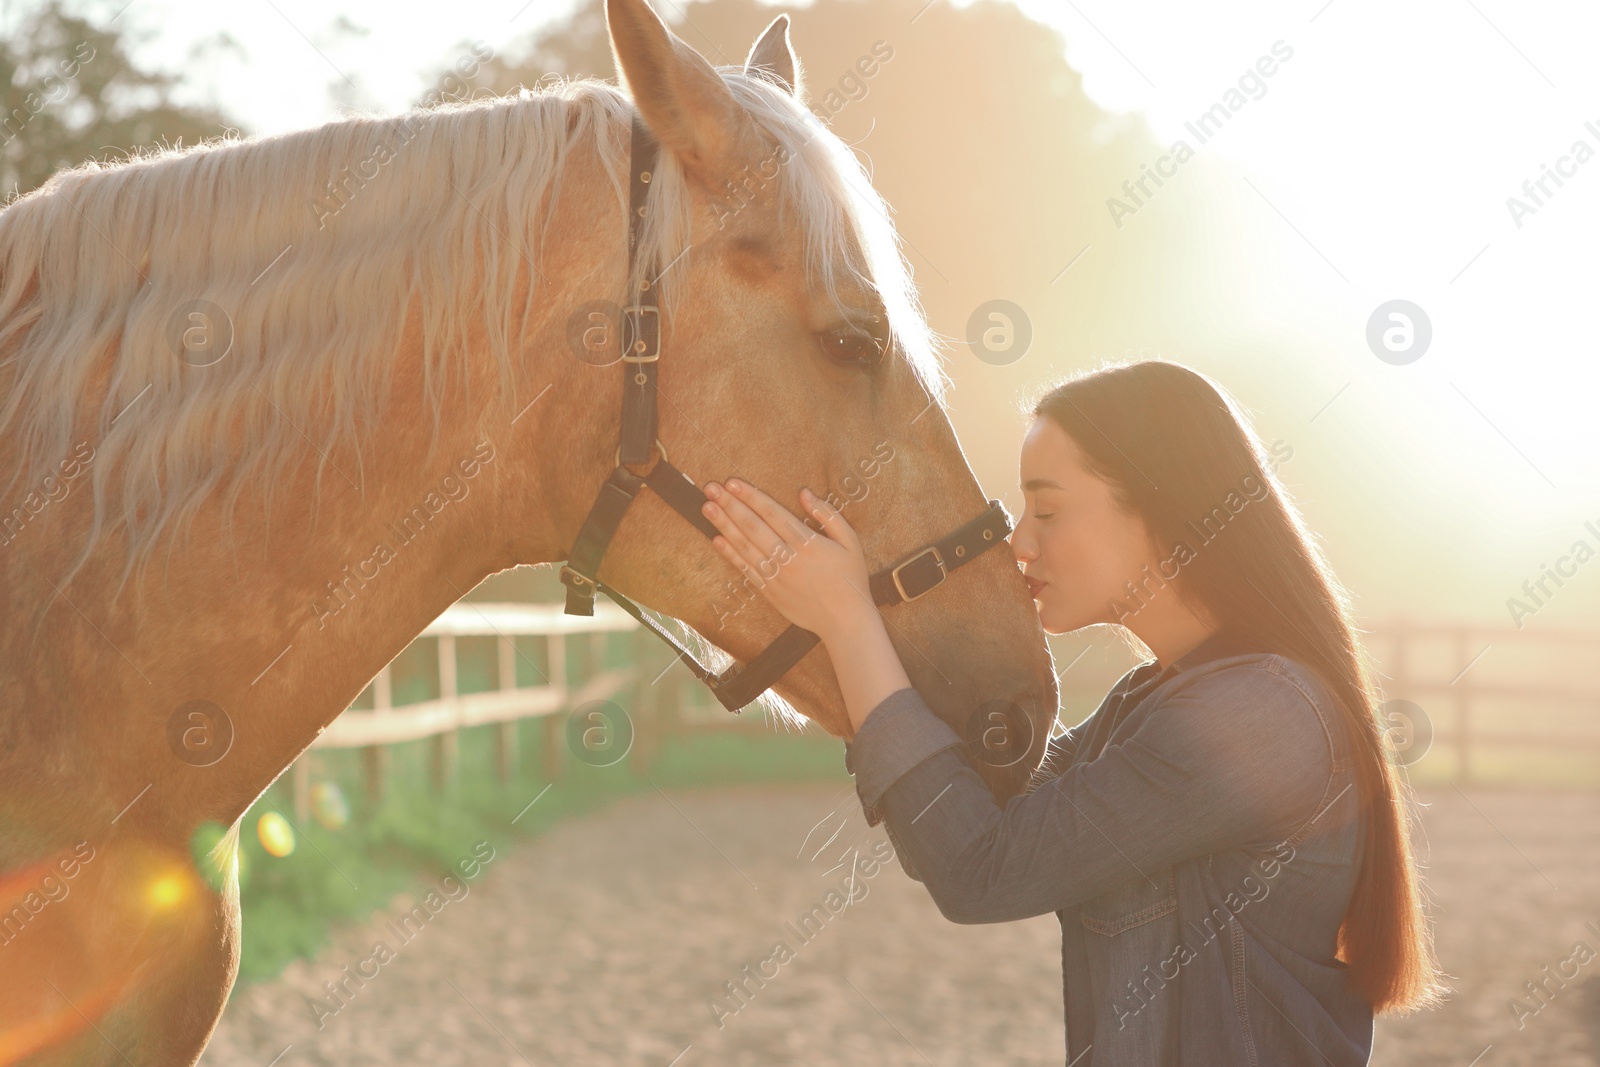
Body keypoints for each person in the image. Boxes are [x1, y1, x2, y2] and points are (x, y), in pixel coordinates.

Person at [697, 359, 1443, 1066]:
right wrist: (853, 610)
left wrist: (850, 622)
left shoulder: (1259, 717)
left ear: (1158, 508)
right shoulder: (1147, 702)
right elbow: (984, 803)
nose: (1020, 542)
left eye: (1046, 508)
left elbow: (982, 868)